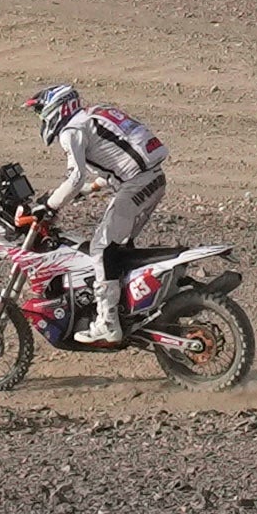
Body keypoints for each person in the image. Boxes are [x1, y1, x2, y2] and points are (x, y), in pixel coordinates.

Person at [28, 79, 170, 337]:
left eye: (40, 113)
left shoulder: (71, 130)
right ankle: (132, 307)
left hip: (138, 184)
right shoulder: (94, 114)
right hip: (153, 179)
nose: (40, 119)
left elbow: (74, 177)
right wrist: (91, 189)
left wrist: (48, 206)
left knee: (101, 247)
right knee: (119, 247)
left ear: (55, 108)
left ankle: (108, 323)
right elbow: (121, 155)